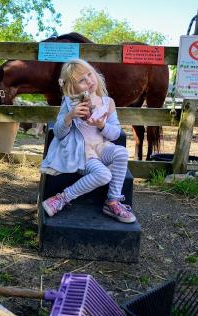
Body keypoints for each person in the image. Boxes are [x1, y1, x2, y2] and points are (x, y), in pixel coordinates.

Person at [40, 59, 136, 223]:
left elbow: (115, 134)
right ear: (72, 87)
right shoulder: (70, 103)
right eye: (81, 80)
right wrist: (70, 117)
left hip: (100, 147)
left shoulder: (108, 102)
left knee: (121, 152)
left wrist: (102, 125)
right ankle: (62, 198)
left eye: (89, 75)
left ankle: (112, 201)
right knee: (103, 174)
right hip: (81, 151)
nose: (89, 81)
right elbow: (58, 133)